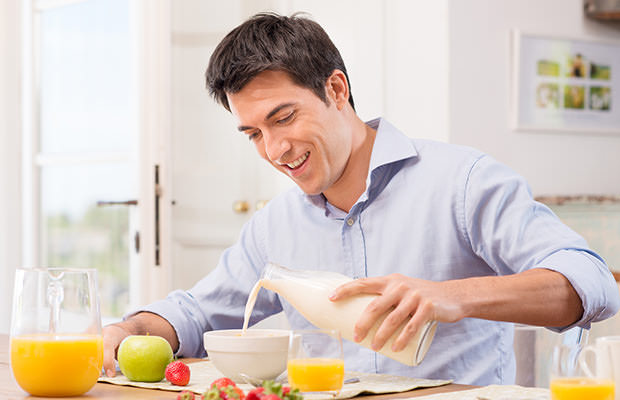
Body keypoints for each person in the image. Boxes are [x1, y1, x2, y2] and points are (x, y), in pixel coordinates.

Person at [103, 13, 620, 385]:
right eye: (253, 134)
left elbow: (591, 281)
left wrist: (456, 296)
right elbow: (196, 312)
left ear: (336, 89)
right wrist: (129, 328)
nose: (275, 150)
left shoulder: (462, 182)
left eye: (283, 118)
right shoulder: (275, 224)